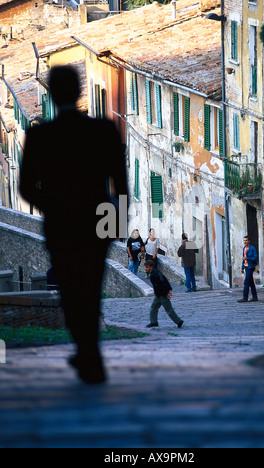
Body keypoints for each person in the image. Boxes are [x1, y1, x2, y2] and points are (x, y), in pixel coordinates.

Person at [20, 66, 127, 384]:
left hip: (61, 225)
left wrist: (51, 205)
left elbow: (26, 188)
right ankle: (89, 353)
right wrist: (115, 227)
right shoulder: (105, 130)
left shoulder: (40, 136)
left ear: (51, 93)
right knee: (91, 287)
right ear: (80, 91)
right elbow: (120, 186)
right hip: (97, 222)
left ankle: (86, 350)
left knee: (69, 289)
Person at [144, 260, 184, 329]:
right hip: (159, 295)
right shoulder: (157, 272)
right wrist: (169, 289)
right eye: (145, 267)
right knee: (153, 308)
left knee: (168, 309)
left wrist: (166, 294)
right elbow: (165, 280)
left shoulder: (153, 276)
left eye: (147, 267)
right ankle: (154, 322)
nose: (145, 269)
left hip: (162, 295)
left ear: (151, 267)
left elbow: (159, 286)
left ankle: (178, 321)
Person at [238, 236, 259, 303]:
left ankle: (245, 298)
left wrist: (247, 258)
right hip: (246, 267)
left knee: (246, 282)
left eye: (246, 240)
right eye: (244, 240)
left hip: (251, 267)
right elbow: (243, 259)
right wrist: (242, 267)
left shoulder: (252, 248)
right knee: (251, 283)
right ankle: (255, 297)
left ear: (249, 241)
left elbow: (255, 258)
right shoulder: (244, 248)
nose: (245, 242)